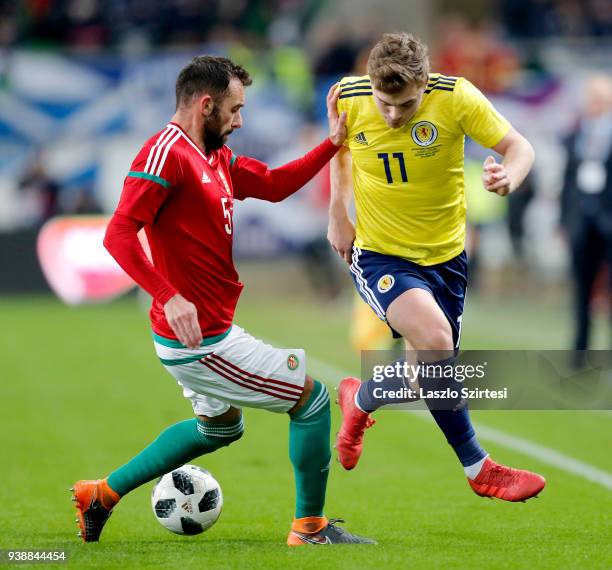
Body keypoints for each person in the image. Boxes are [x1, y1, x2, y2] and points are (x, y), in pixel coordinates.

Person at [71, 55, 374, 546]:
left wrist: (332, 143)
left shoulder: (216, 156)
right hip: (201, 342)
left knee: (219, 430)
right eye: (235, 109)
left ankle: (100, 494)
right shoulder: (166, 152)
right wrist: (168, 295)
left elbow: (275, 186)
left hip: (208, 331)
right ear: (206, 105)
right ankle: (311, 529)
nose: (240, 120)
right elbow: (119, 232)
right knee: (314, 399)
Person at [327, 33, 546, 501]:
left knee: (424, 372)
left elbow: (520, 148)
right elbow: (340, 152)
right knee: (436, 341)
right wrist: (337, 215)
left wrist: (510, 175)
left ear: (425, 83)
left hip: (446, 259)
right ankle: (479, 468)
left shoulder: (457, 97)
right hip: (381, 253)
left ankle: (359, 398)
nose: (392, 115)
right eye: (385, 103)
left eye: (404, 105)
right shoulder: (349, 95)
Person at [559, 74, 612, 360]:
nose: (597, 104)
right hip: (582, 223)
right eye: (593, 98)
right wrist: (563, 221)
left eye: (602, 99)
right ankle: (580, 353)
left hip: (609, 221)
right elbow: (567, 181)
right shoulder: (575, 133)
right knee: (581, 289)